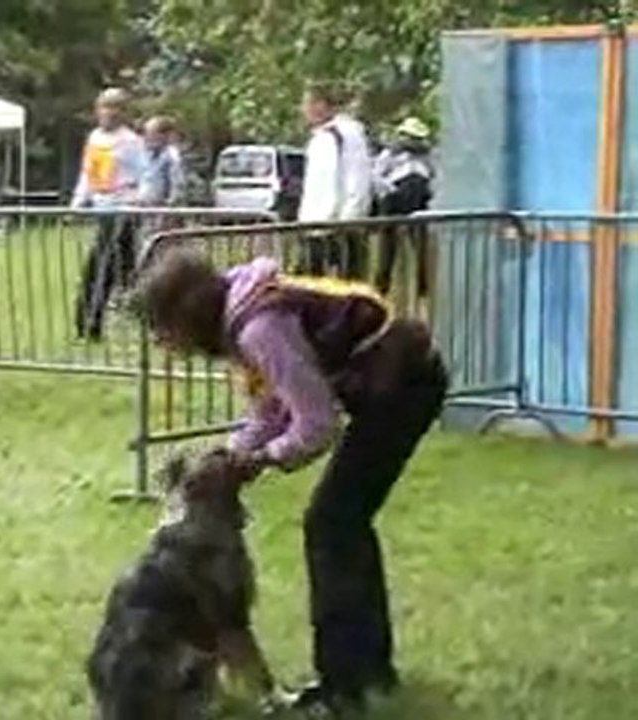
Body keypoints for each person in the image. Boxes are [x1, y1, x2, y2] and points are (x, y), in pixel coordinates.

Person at [133, 249, 448, 716]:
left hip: (403, 382)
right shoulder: (242, 316)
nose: (167, 344)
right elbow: (271, 411)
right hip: (387, 380)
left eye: (165, 330)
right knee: (342, 523)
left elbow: (317, 423)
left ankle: (345, 687)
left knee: (332, 524)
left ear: (188, 312)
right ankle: (368, 671)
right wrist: (231, 452)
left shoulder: (259, 329)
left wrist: (259, 460)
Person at [71, 87, 147, 340]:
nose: (110, 113)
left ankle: (91, 322)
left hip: (123, 209)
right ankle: (89, 321)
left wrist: (138, 201)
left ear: (124, 112)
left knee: (106, 265)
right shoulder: (94, 138)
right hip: (103, 208)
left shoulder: (131, 142)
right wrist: (79, 201)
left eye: (116, 107)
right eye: (105, 106)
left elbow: (145, 176)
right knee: (121, 269)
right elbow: (88, 173)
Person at [298, 81, 373, 279]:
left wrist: (349, 219)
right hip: (316, 226)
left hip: (338, 226)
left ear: (321, 105)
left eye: (307, 103)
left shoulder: (346, 135)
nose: (304, 110)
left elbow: (357, 178)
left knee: (344, 285)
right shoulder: (320, 137)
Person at [372, 117, 435, 298]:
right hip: (394, 197)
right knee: (387, 246)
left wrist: (427, 190)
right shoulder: (390, 153)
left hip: (418, 196)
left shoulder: (426, 156)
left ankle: (423, 288)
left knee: (420, 244)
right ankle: (381, 287)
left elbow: (434, 175)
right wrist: (391, 190)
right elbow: (376, 176)